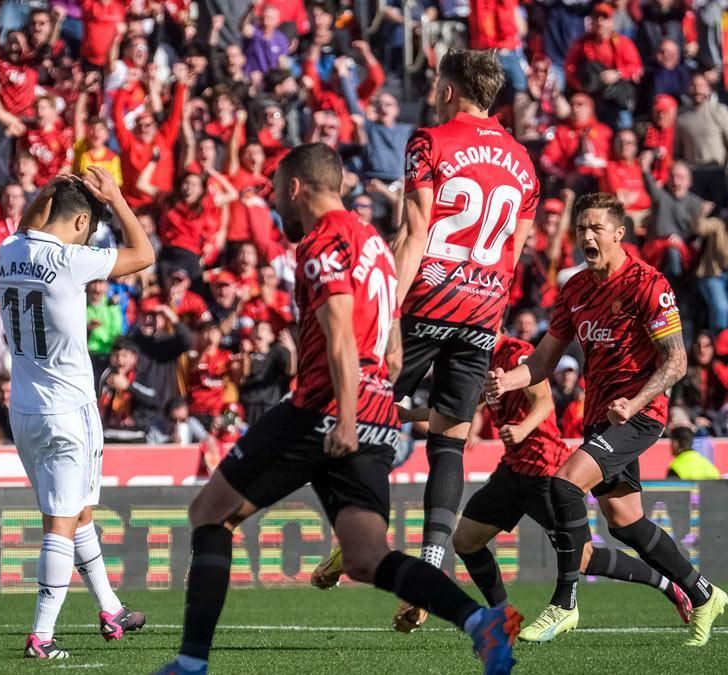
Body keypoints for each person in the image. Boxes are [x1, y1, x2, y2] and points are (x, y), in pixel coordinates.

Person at [154, 143, 520, 675]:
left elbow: (340, 334)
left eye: (276, 189)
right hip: (377, 409)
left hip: (325, 408)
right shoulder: (372, 240)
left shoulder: (322, 241)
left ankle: (190, 664)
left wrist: (344, 415)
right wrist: (372, 399)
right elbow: (392, 340)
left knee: (208, 514)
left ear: (296, 188)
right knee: (367, 557)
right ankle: (479, 622)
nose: (274, 199)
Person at [486, 192, 726, 647]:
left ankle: (564, 603)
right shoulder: (575, 289)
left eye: (596, 228)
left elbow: (675, 363)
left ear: (619, 233)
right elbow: (542, 362)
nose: (586, 236)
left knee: (564, 484)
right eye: (581, 229)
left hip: (639, 414)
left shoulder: (647, 284)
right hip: (602, 417)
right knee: (625, 523)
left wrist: (635, 403)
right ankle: (703, 592)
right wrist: (509, 380)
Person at [340, 331, 694, 639]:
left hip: (544, 468)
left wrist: (523, 429)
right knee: (466, 540)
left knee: (583, 559)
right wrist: (411, 416)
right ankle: (504, 615)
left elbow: (543, 401)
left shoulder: (516, 352)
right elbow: (463, 407)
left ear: (493, 320)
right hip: (513, 471)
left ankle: (668, 585)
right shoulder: (476, 359)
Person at [391, 49, 540, 632]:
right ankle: (431, 565)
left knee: (359, 413)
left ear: (450, 91)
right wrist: (492, 313)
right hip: (483, 310)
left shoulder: (430, 140)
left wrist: (388, 315)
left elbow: (414, 231)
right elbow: (517, 249)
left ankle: (359, 542)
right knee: (449, 442)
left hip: (428, 301)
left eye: (436, 85)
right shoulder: (524, 163)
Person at [0, 168, 153, 659]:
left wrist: (46, 192)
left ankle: (110, 609)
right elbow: (144, 254)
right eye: (90, 224)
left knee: (77, 510)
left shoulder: (8, 252)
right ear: (81, 220)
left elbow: (26, 228)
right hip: (68, 411)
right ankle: (41, 636)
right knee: (61, 521)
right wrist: (120, 199)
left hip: (23, 410)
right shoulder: (70, 260)